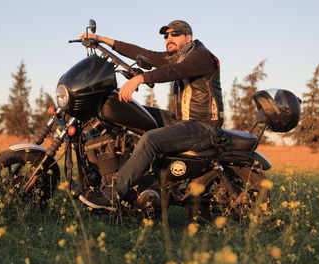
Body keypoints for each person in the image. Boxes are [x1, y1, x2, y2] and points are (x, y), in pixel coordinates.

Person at [78, 20, 224, 211]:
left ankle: (113, 193)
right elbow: (143, 53)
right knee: (131, 112)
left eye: (175, 34)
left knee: (150, 139)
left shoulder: (202, 57)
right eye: (166, 36)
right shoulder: (179, 56)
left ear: (188, 38)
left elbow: (173, 71)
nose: (169, 39)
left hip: (203, 126)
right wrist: (100, 40)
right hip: (180, 120)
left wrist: (140, 78)